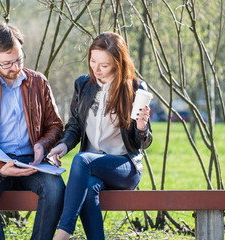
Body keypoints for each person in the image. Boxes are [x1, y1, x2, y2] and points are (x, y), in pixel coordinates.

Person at [0, 22, 65, 240]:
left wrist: (42, 145)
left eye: (19, 59)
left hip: (31, 162)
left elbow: (55, 125)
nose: (15, 68)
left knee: (55, 188)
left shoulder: (38, 82)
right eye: (7, 64)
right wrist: (0, 167)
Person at [48, 32, 153, 240]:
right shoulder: (83, 85)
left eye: (103, 65)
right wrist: (63, 146)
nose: (95, 69)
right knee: (87, 187)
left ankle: (63, 232)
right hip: (91, 167)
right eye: (93, 60)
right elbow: (75, 126)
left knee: (82, 160)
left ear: (117, 63)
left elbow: (143, 142)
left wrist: (141, 126)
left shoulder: (135, 88)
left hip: (124, 166)